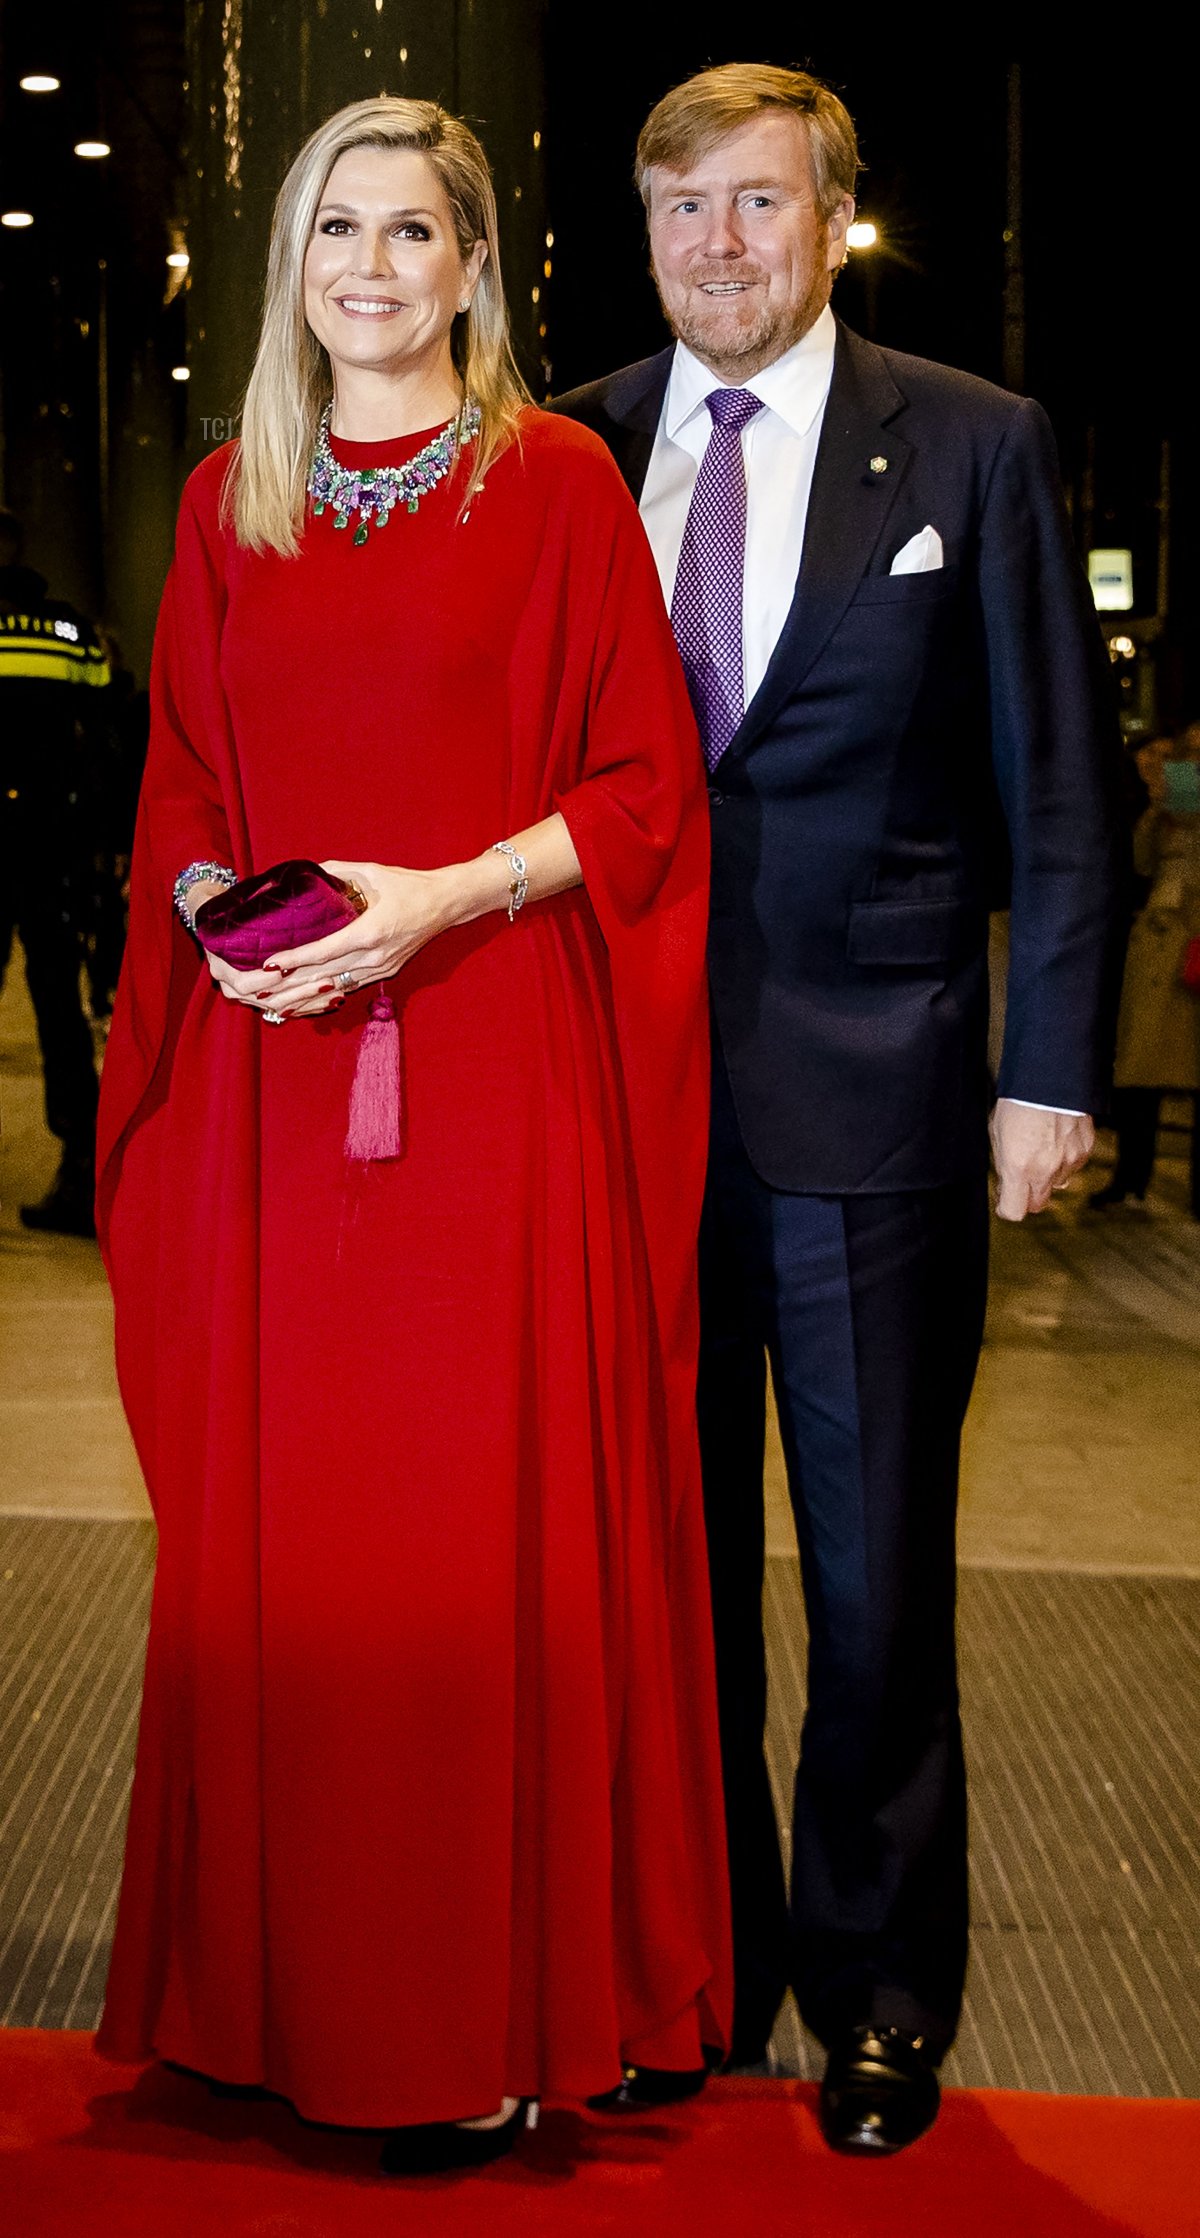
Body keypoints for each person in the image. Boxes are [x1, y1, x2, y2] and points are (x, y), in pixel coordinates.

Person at [95, 96, 730, 2175]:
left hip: (481, 1092)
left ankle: (486, 2013)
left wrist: (442, 899)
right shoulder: (228, 502)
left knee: (470, 1549)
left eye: (412, 231)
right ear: (295, 265)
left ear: (476, 267)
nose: (370, 266)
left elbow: (644, 793)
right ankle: (282, 2010)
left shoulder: (556, 486)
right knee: (296, 1557)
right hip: (276, 1095)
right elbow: (187, 784)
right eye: (334, 229)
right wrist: (222, 921)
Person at [553, 63, 1126, 2155]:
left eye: (759, 205)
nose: (719, 243)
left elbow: (1062, 786)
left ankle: (880, 1992)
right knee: (661, 1569)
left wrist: (1047, 1064)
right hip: (612, 1111)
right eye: (682, 207)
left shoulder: (971, 445)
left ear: (833, 221)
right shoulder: (565, 448)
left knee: (880, 1579)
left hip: (879, 1107)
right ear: (645, 232)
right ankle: (692, 1970)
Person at [0, 506, 110, 1236]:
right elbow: (102, 739)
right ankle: (82, 1171)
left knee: (57, 1006)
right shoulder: (69, 629)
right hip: (52, 842)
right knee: (59, 1008)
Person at [1090, 729, 1200, 1216]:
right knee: (1137, 1077)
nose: (1185, 763)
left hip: (1190, 955)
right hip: (1156, 954)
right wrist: (1161, 812)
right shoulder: (1169, 812)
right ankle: (1129, 1177)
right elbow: (1139, 862)